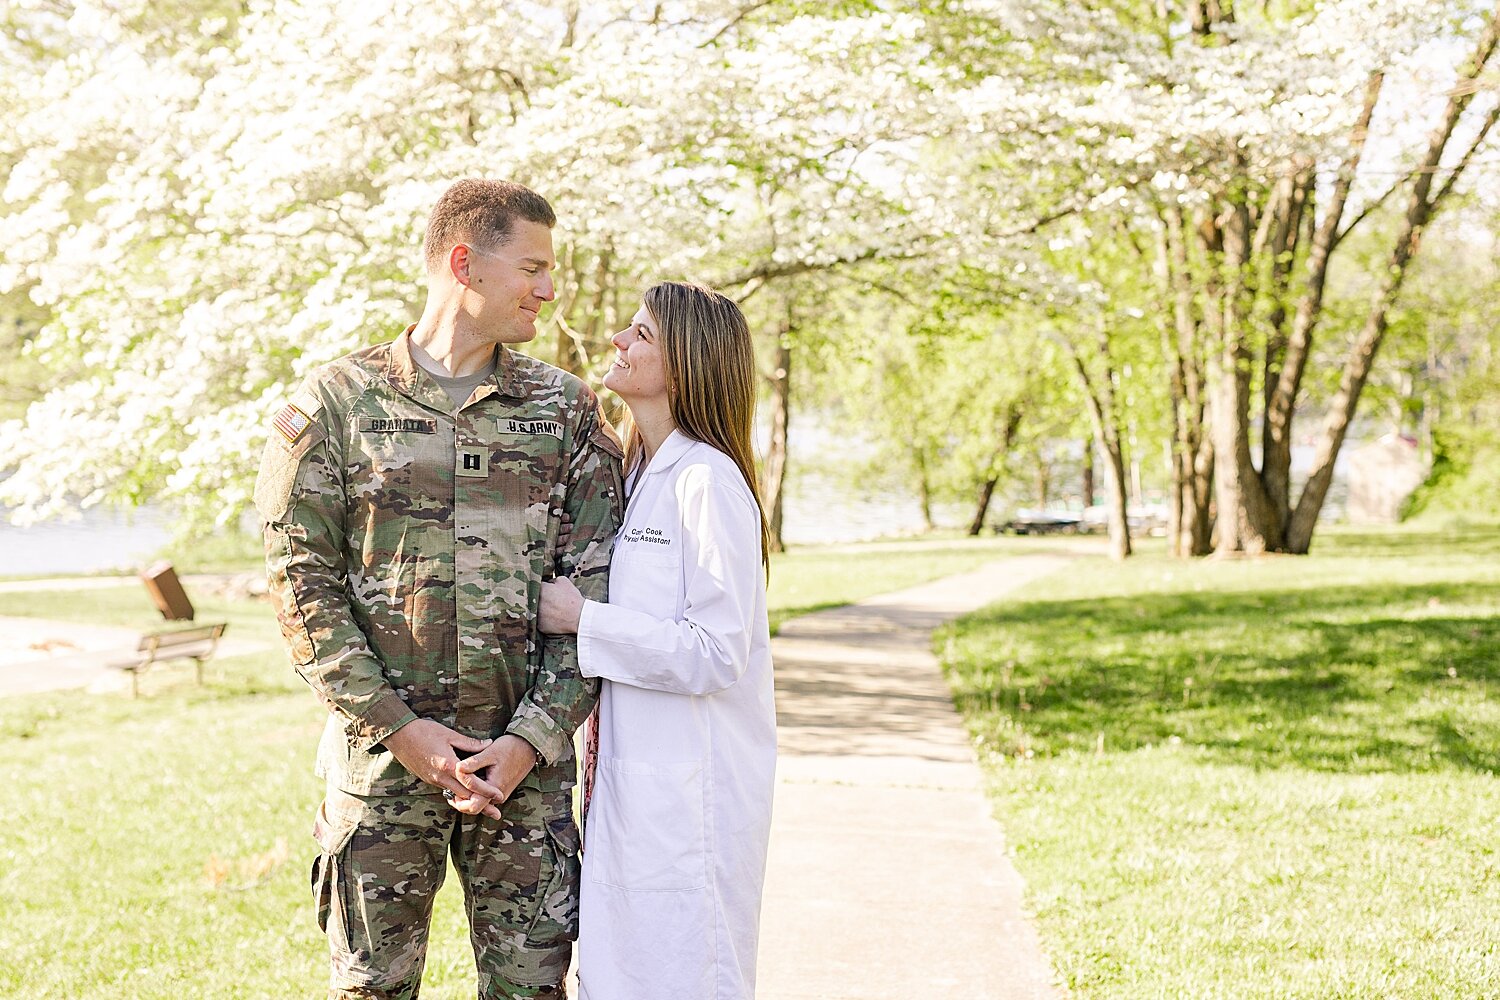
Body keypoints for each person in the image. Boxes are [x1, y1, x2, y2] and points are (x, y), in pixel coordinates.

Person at [255, 178, 623, 1000]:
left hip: (522, 783)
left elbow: (595, 589)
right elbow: (300, 589)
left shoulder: (564, 410)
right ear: (466, 263)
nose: (549, 288)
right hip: (382, 772)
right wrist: (401, 730)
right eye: (532, 266)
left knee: (532, 993)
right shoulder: (337, 405)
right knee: (371, 992)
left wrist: (529, 740)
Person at [537, 281, 777, 1000]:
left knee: (685, 974)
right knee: (621, 975)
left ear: (686, 363)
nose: (618, 341)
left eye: (640, 334)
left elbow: (717, 649)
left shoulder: (706, 480)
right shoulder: (638, 473)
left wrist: (585, 620)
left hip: (688, 797)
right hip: (631, 789)